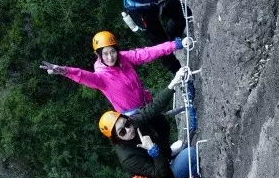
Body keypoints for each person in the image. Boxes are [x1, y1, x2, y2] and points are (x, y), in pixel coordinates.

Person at [97, 66, 198, 178]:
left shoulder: (134, 122)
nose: (128, 129)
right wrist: (153, 150)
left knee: (157, 119)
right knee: (188, 158)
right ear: (116, 138)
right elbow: (161, 176)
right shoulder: (128, 159)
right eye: (122, 131)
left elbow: (153, 108)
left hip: (161, 163)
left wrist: (174, 83)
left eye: (127, 123)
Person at [40, 30, 192, 115]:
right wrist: (64, 71)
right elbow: (82, 76)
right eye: (105, 54)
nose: (110, 57)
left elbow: (147, 53)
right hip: (134, 116)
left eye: (112, 52)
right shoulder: (100, 77)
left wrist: (175, 45)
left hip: (146, 104)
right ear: (98, 55)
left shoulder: (123, 58)